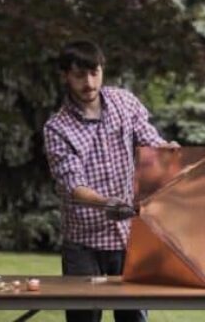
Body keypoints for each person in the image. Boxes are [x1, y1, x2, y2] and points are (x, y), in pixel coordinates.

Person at [43, 40, 174, 322]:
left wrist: (168, 150)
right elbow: (72, 185)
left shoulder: (124, 103)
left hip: (129, 237)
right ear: (65, 76)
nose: (89, 83)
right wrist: (107, 204)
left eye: (95, 73)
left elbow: (150, 143)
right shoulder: (57, 128)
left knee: (134, 319)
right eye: (79, 75)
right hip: (83, 243)